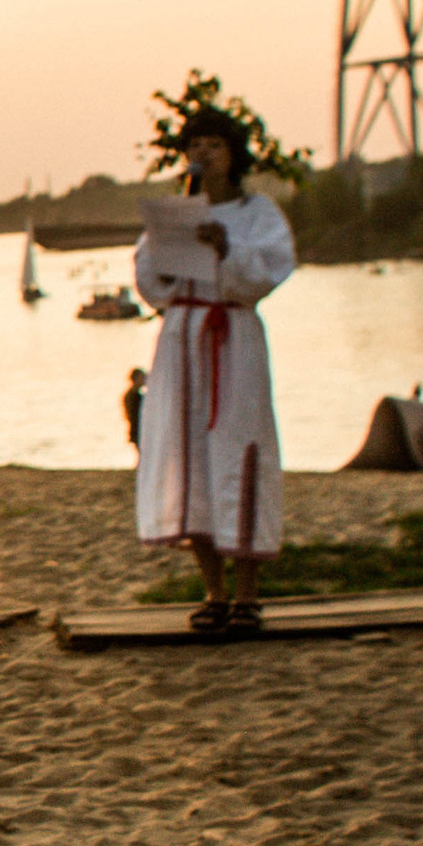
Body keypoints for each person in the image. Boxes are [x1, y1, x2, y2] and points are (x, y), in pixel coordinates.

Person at [133, 105, 296, 635]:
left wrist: (230, 249)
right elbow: (151, 286)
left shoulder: (257, 213)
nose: (202, 154)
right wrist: (164, 247)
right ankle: (214, 591)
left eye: (214, 145)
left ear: (234, 155)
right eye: (195, 145)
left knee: (240, 448)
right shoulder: (175, 211)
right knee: (189, 457)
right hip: (182, 339)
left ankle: (248, 594)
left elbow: (270, 272)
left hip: (234, 337)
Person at [122, 367, 147, 456]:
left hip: (138, 430)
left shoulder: (134, 395)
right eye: (142, 377)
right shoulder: (133, 396)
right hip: (138, 430)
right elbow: (134, 415)